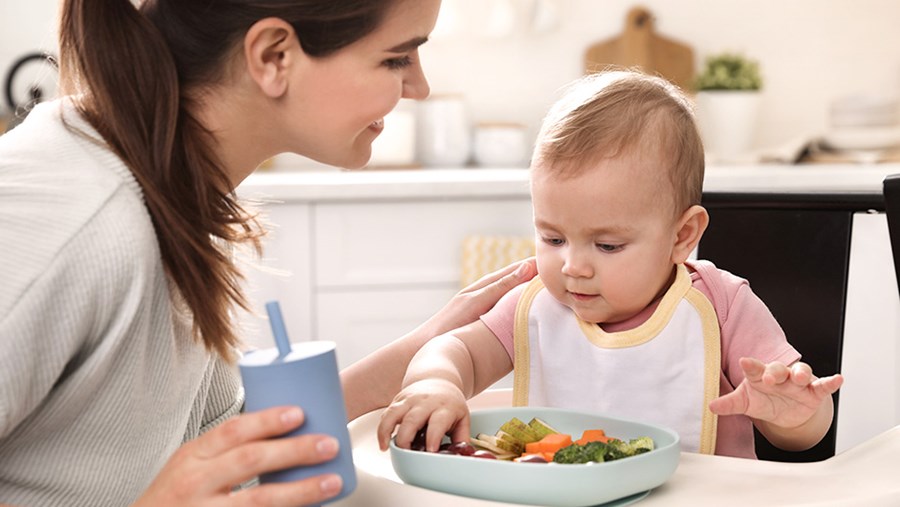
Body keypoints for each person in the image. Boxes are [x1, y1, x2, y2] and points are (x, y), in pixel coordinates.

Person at [0, 0, 537, 506]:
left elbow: (209, 445)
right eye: (395, 57)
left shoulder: (172, 187)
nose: (418, 87)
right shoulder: (74, 223)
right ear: (273, 57)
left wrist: (410, 360)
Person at [376, 70, 845, 459]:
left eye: (607, 246)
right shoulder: (534, 305)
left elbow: (808, 432)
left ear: (682, 236)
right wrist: (436, 381)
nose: (572, 266)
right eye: (553, 238)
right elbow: (455, 350)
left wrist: (795, 414)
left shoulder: (721, 305)